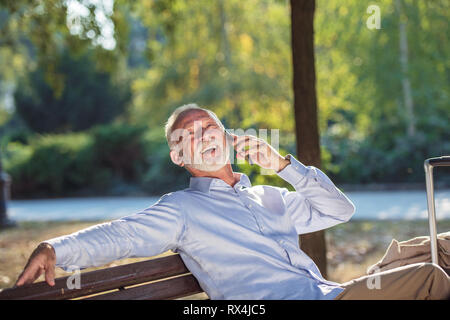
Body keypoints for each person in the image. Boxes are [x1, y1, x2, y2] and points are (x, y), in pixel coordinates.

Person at [15, 104, 450, 300]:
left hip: (331, 293)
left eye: (212, 128)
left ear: (228, 137)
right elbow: (123, 235)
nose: (205, 137)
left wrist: (284, 165)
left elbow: (340, 211)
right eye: (191, 134)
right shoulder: (182, 210)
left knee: (442, 248)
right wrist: (56, 248)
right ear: (178, 156)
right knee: (430, 276)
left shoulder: (268, 196)